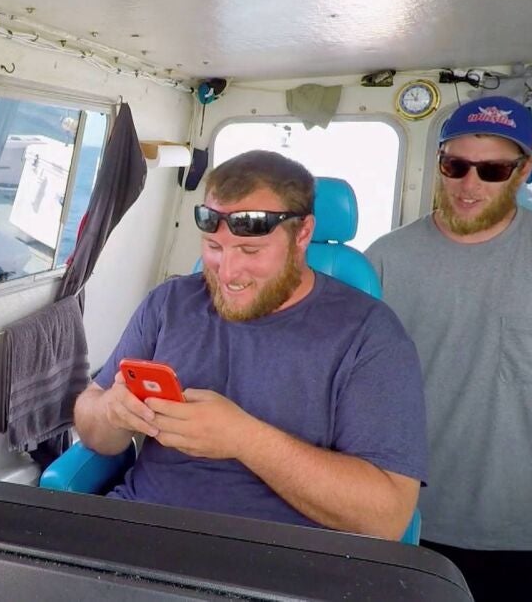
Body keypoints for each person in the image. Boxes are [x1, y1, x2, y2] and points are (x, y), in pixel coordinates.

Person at [365, 96, 532, 600]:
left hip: (528, 530)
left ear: (524, 169)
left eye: (492, 170)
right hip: (403, 518)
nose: (469, 185)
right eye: (455, 166)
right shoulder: (386, 257)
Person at [72, 150, 427, 540]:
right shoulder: (169, 303)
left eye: (250, 251)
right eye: (214, 247)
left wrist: (245, 440)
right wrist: (111, 412)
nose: (227, 273)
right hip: (138, 531)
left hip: (277, 556)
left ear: (302, 234)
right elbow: (91, 417)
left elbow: (386, 517)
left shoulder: (369, 335)